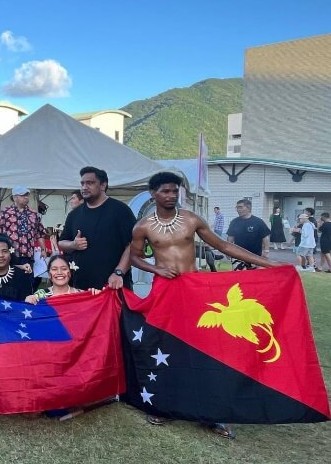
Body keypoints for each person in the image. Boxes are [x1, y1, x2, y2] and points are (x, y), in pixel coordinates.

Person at [129, 172, 282, 439]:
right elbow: (135, 257)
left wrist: (269, 264)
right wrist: (156, 269)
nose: (171, 195)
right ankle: (165, 406)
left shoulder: (191, 219)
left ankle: (212, 412)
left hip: (194, 289)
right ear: (153, 194)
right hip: (165, 291)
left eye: (174, 191)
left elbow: (223, 246)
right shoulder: (143, 226)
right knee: (167, 347)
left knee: (205, 348)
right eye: (165, 191)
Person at [58, 167, 135, 291]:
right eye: (82, 183)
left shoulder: (120, 210)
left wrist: (119, 272)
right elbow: (61, 242)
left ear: (103, 185)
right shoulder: (74, 214)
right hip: (81, 286)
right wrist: (73, 245)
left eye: (90, 183)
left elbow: (133, 245)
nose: (84, 187)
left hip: (113, 285)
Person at [0, 186, 47, 268]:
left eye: (27, 195)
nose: (26, 197)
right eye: (23, 195)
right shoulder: (5, 213)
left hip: (28, 255)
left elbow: (40, 233)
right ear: (15, 197)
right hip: (10, 254)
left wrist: (43, 250)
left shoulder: (34, 214)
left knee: (27, 275)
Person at [26, 255, 101, 303]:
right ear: (49, 274)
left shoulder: (81, 295)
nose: (59, 272)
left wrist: (98, 296)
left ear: (70, 273)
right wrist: (28, 302)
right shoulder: (40, 295)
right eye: (54, 269)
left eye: (64, 269)